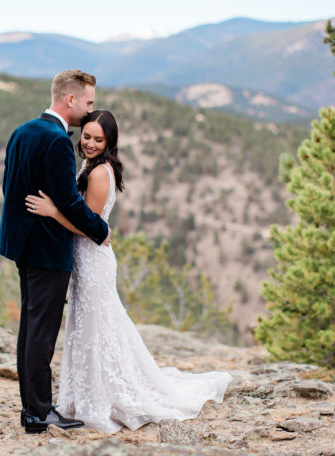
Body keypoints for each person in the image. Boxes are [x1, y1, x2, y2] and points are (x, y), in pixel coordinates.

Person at [25, 110, 232, 434]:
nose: (90, 143)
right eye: (87, 136)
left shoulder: (98, 174)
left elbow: (87, 226)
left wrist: (53, 212)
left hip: (93, 260)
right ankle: (84, 395)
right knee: (86, 329)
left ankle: (103, 398)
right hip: (85, 260)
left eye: (98, 139)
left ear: (110, 142)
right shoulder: (90, 167)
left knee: (95, 329)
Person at [0, 70, 111, 434]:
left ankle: (32, 408)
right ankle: (38, 412)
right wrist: (100, 230)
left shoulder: (23, 131)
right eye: (89, 102)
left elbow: (8, 187)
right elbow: (71, 203)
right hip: (48, 249)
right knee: (42, 333)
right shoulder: (58, 141)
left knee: (29, 329)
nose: (90, 109)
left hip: (22, 246)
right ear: (71, 100)